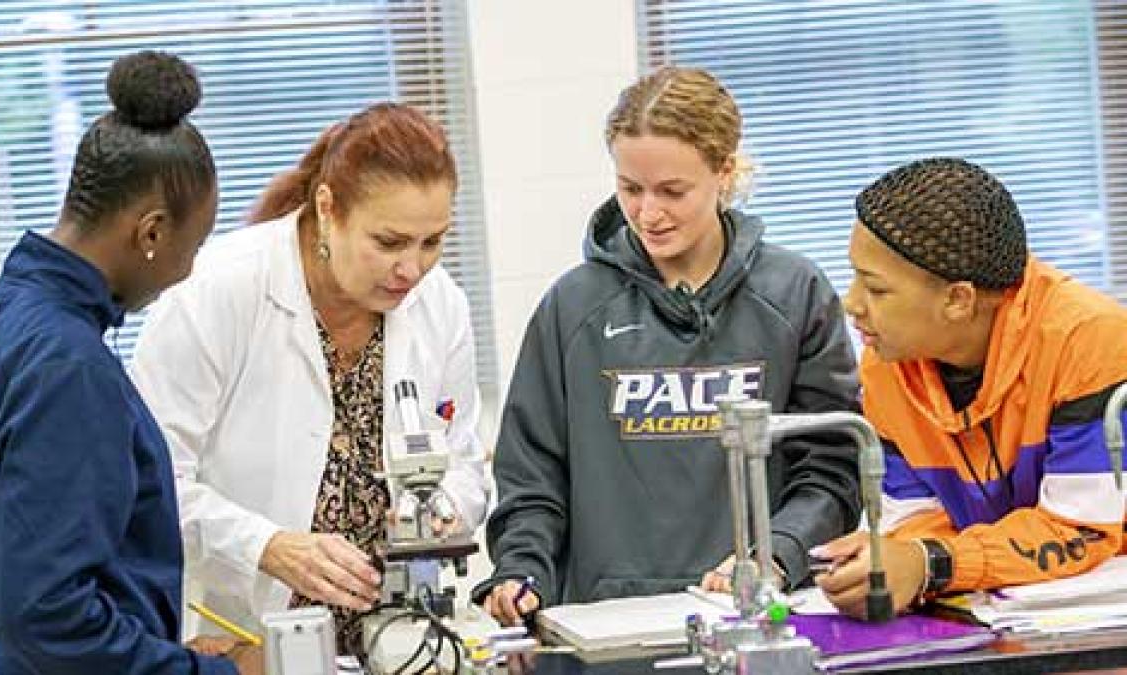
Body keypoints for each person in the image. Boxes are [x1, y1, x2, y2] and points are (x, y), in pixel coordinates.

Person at [476, 66, 862, 625]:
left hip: (754, 616)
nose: (647, 214)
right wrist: (521, 571)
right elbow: (532, 478)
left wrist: (776, 552)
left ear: (724, 173)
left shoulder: (795, 294)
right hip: (606, 628)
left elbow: (830, 470)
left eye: (672, 191)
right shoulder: (573, 307)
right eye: (630, 189)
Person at [0, 51, 258, 673]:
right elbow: (51, 613)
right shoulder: (68, 364)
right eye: (194, 246)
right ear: (153, 233)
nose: (188, 271)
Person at [129, 102, 488, 649]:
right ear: (328, 208)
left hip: (400, 635)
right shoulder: (216, 291)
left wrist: (446, 510)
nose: (411, 269)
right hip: (244, 633)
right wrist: (267, 546)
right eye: (389, 242)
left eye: (432, 242)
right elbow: (150, 484)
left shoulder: (440, 305)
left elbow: (462, 457)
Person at [814, 157, 1127, 619]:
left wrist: (931, 563)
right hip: (990, 618)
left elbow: (1080, 531)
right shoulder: (885, 364)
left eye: (876, 290)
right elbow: (916, 525)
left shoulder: (1090, 340)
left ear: (957, 299)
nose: (851, 303)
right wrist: (899, 563)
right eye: (854, 276)